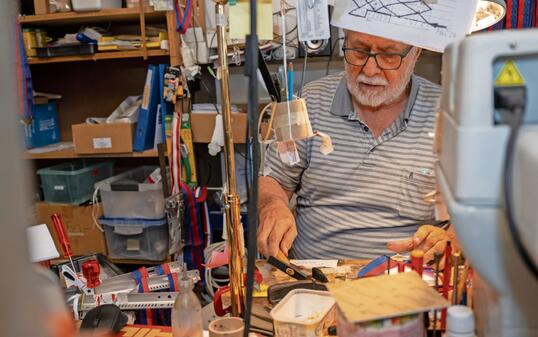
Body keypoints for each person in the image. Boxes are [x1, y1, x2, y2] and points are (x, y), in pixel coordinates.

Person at [257, 29, 457, 262]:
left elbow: (480, 208)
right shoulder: (307, 101)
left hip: (410, 280)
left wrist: (453, 237)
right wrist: (272, 204)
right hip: (315, 278)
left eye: (388, 56)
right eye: (359, 51)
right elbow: (273, 179)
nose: (370, 70)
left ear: (416, 52)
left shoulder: (450, 112)